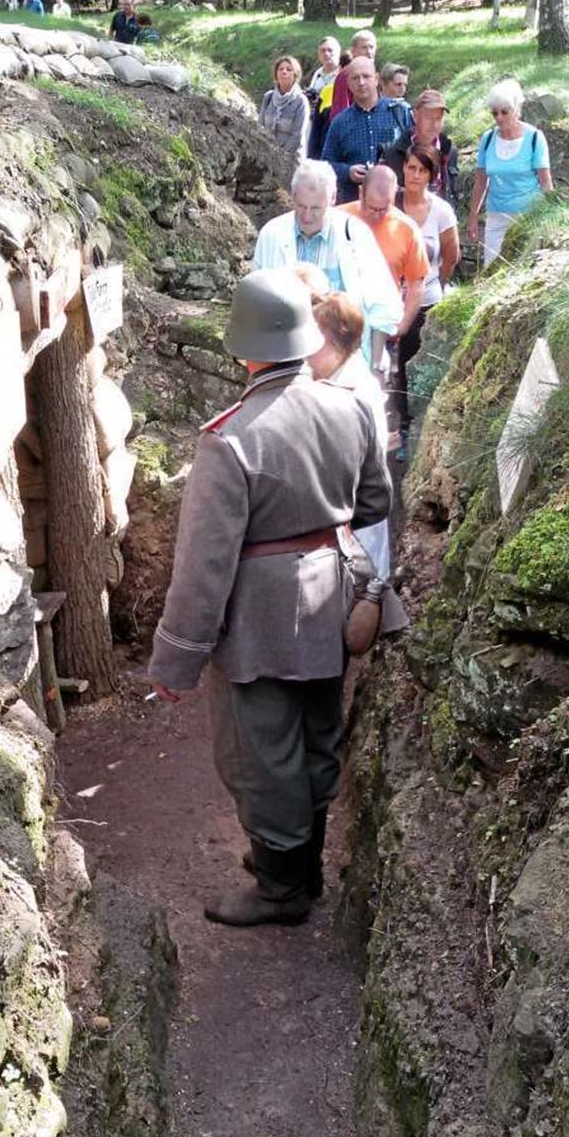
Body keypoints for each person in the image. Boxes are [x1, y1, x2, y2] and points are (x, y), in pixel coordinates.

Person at [148, 269, 392, 927]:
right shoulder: (350, 408)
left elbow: (203, 567)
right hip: (332, 595)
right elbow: (374, 503)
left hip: (260, 618)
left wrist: (175, 663)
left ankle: (283, 888)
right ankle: (302, 866)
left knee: (261, 753)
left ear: (246, 348)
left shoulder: (229, 437)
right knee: (318, 733)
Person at [253, 160, 403, 375]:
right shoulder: (272, 234)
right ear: (292, 196)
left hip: (345, 361)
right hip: (288, 360)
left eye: (316, 208)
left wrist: (377, 367)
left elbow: (383, 305)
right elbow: (259, 297)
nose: (306, 216)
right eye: (301, 206)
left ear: (332, 199)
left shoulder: (355, 235)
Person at [308, 291, 392, 580]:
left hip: (354, 524)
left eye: (313, 339)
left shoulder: (353, 392)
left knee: (361, 598)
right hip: (349, 523)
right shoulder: (341, 380)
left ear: (333, 341)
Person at [339, 163, 429, 424]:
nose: (377, 215)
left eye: (384, 208)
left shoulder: (406, 229)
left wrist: (401, 326)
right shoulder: (337, 219)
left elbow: (416, 284)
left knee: (370, 396)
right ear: (360, 194)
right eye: (371, 207)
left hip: (379, 327)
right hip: (340, 323)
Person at [397, 146, 461, 450]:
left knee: (417, 362)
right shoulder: (391, 204)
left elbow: (452, 254)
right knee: (394, 364)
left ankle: (415, 428)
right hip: (389, 298)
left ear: (431, 176)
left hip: (427, 297)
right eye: (411, 168)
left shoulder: (440, 211)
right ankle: (402, 424)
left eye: (422, 170)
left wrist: (440, 282)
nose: (415, 175)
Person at [468, 78, 552, 265]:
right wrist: (473, 215)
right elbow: (481, 181)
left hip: (528, 215)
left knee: (522, 269)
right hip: (496, 215)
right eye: (495, 113)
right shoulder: (488, 139)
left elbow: (546, 182)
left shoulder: (535, 138)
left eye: (504, 112)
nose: (499, 118)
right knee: (490, 268)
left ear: (516, 110)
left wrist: (550, 215)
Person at [322, 56, 411, 204]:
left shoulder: (399, 113)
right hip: (355, 205)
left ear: (376, 79)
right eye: (355, 78)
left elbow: (415, 155)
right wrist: (348, 172)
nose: (361, 82)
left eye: (366, 76)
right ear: (349, 83)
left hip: (395, 202)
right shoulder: (340, 122)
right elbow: (326, 165)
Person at [380, 88, 459, 206]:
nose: (434, 124)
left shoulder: (449, 150)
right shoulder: (392, 153)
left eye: (439, 118)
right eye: (428, 117)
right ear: (415, 116)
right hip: (404, 220)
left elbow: (450, 191)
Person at [258, 55, 310, 176]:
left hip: (291, 161)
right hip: (267, 158)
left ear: (295, 75)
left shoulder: (301, 101)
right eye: (281, 69)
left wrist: (279, 156)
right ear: (276, 74)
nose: (284, 72)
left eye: (289, 69)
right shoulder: (268, 97)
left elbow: (297, 135)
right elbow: (259, 127)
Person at [308, 49, 351, 159]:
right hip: (325, 154)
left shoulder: (368, 97)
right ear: (340, 69)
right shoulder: (327, 92)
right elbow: (315, 130)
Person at [329, 29, 377, 121]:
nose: (369, 52)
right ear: (353, 51)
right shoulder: (346, 75)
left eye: (372, 47)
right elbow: (340, 110)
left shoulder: (375, 73)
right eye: (364, 47)